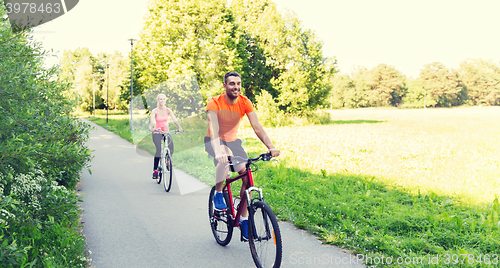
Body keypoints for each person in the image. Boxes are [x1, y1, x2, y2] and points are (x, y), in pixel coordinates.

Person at [205, 71, 280, 240]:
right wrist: (219, 150)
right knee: (224, 160)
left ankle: (244, 219)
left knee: (247, 178)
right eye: (232, 84)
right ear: (224, 86)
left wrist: (271, 146)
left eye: (238, 83)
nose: (236, 87)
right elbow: (214, 130)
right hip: (214, 141)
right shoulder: (214, 103)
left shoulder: (245, 102)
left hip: (233, 142)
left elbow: (257, 127)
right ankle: (218, 193)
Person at [149, 93, 184, 179]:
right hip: (157, 132)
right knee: (159, 150)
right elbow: (152, 121)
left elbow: (174, 119)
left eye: (164, 99)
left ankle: (167, 161)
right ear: (158, 100)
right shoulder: (154, 111)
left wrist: (179, 127)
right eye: (160, 99)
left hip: (166, 132)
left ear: (165, 100)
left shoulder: (168, 110)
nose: (162, 101)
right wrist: (151, 128)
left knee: (171, 148)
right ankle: (155, 170)